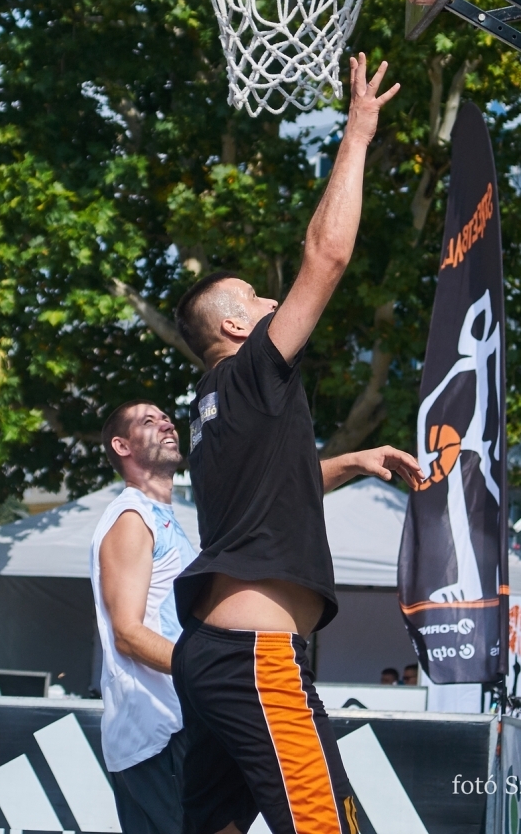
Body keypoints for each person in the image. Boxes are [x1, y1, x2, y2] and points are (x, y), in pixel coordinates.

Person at [172, 54, 424, 834]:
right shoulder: (251, 371)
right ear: (237, 328)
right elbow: (329, 254)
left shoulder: (208, 409)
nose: (273, 299)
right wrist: (357, 130)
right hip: (255, 661)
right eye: (254, 297)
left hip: (210, 655)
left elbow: (271, 493)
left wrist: (350, 461)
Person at [90, 402, 197, 834]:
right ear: (122, 445)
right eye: (147, 421)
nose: (166, 423)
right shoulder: (131, 517)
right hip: (157, 735)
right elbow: (128, 634)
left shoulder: (168, 518)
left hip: (176, 727)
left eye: (166, 417)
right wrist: (208, 670)